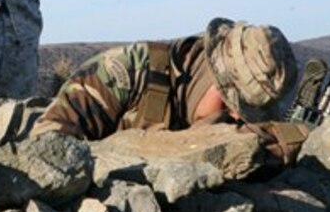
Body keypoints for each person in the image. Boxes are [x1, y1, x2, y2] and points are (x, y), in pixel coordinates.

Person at [31, 18, 299, 142]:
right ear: (209, 76)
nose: (237, 119)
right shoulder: (123, 73)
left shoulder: (235, 119)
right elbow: (46, 145)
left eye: (250, 114)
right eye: (232, 105)